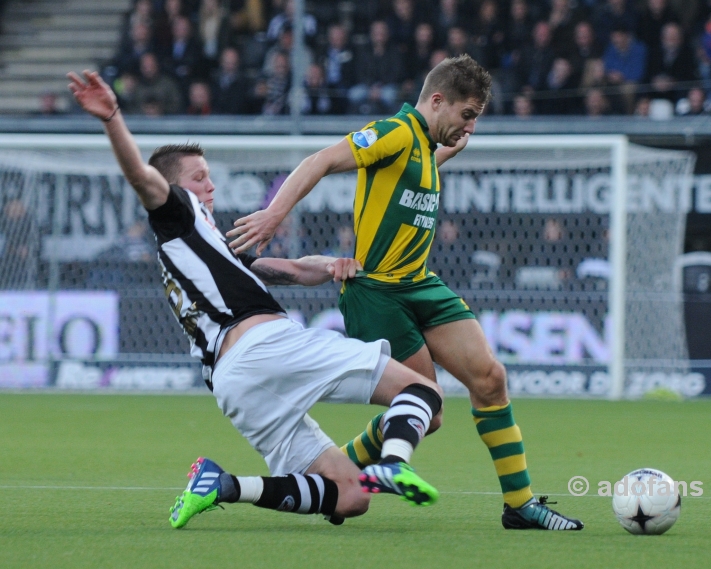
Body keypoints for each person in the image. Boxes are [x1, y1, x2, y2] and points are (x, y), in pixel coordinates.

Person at [67, 69, 445, 529]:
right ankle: (395, 462)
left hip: (233, 383)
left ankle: (223, 485)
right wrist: (112, 119)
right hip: (265, 345)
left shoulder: (206, 248)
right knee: (422, 392)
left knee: (350, 497)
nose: (211, 186)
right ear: (177, 189)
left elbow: (290, 270)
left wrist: (333, 266)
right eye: (200, 177)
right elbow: (141, 176)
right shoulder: (178, 214)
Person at [226, 54, 584, 531]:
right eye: (467, 114)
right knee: (425, 407)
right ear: (437, 101)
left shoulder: (424, 147)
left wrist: (452, 143)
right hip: (376, 291)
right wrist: (274, 215)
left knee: (490, 379)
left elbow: (420, 166)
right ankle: (343, 480)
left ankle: (519, 505)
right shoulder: (395, 132)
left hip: (419, 282)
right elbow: (322, 159)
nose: (470, 126)